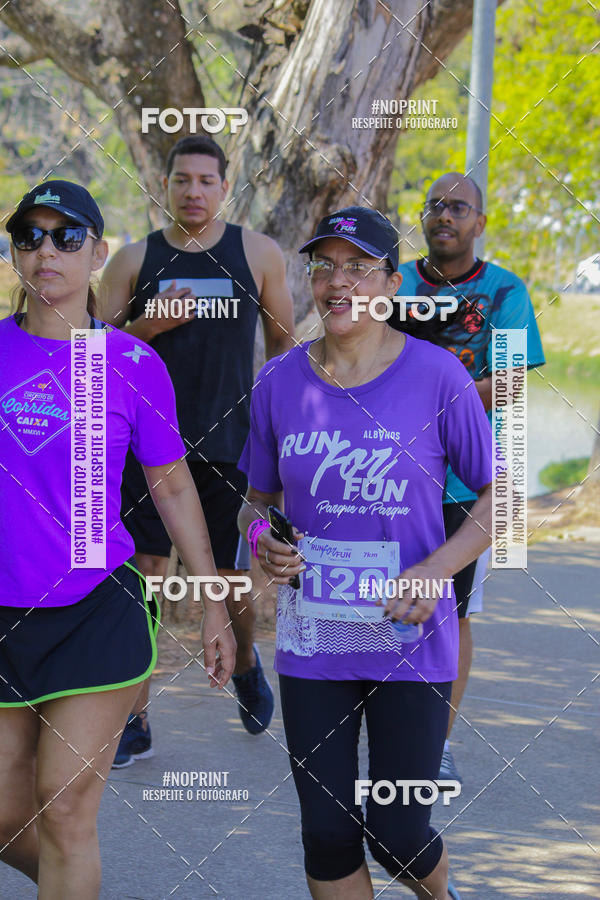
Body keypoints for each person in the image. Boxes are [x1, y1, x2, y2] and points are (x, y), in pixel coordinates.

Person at [238, 205, 497, 899]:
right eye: (325, 265)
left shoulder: (439, 378)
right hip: (314, 638)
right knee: (325, 835)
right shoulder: (279, 383)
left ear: (389, 283)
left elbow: (499, 496)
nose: (339, 281)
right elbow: (255, 504)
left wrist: (437, 568)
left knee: (398, 833)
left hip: (409, 638)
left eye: (359, 266)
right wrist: (264, 541)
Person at [0, 180, 235, 898]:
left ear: (98, 253)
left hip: (97, 605)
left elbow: (170, 486)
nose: (47, 250)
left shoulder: (129, 364)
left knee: (66, 807)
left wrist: (214, 602)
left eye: (67, 237)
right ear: (13, 253)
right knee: (7, 821)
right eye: (30, 236)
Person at [99, 135, 296, 756]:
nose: (193, 191)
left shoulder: (257, 254)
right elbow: (90, 351)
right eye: (182, 179)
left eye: (206, 181)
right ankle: (137, 717)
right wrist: (145, 328)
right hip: (146, 449)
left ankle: (243, 668)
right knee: (149, 577)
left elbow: (284, 351)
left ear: (223, 187)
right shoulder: (133, 260)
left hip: (231, 447)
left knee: (230, 580)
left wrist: (282, 439)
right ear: (166, 185)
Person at [391, 172, 545, 785]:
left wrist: (435, 394)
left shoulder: (505, 290)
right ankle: (374, 723)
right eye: (434, 206)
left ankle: (439, 742)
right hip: (388, 469)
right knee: (376, 602)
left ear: (479, 222)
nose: (444, 215)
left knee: (450, 613)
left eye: (458, 207)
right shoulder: (394, 282)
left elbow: (509, 380)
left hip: (468, 481)